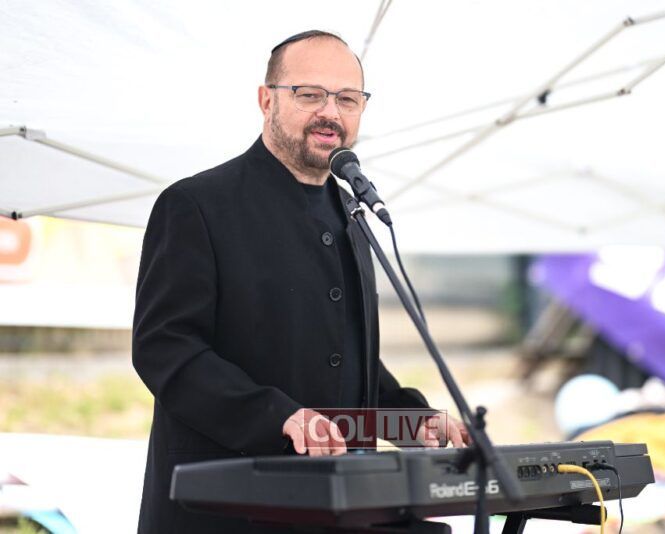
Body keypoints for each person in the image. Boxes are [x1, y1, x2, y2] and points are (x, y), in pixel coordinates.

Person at [132, 30, 470, 533]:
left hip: (340, 509)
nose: (330, 113)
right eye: (310, 94)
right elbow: (166, 349)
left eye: (347, 99)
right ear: (266, 100)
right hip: (225, 513)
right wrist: (278, 416)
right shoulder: (196, 205)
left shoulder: (352, 214)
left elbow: (345, 359)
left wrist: (412, 420)